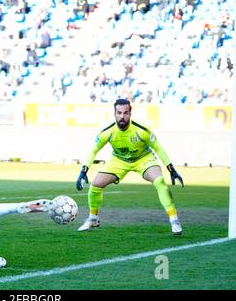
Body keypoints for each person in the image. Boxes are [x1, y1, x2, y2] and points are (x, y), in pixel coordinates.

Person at [76, 99, 184, 235]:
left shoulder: (141, 130)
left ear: (130, 113)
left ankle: (174, 220)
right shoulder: (108, 132)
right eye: (119, 113)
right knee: (95, 185)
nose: (122, 116)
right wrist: (83, 170)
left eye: (125, 113)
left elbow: (158, 148)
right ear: (114, 113)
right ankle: (93, 218)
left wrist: (171, 169)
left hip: (143, 159)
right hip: (119, 160)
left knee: (159, 181)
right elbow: (93, 150)